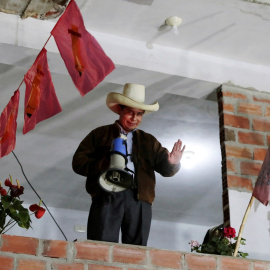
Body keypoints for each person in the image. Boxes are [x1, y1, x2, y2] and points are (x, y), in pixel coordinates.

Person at [72, 83, 185, 246]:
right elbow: (78, 162)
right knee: (101, 246)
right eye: (130, 113)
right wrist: (105, 163)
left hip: (139, 198)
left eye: (139, 114)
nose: (134, 118)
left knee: (136, 250)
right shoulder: (100, 134)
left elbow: (166, 169)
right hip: (107, 193)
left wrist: (172, 163)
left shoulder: (149, 140)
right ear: (120, 110)